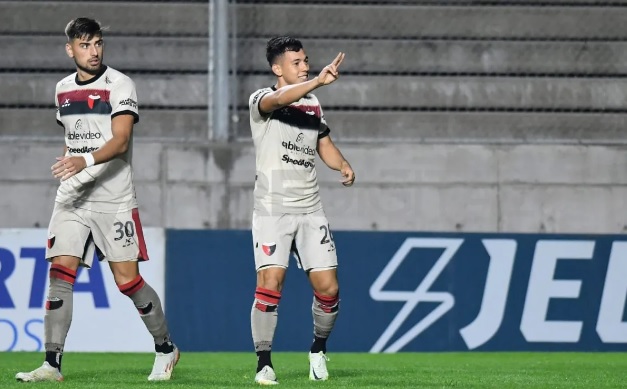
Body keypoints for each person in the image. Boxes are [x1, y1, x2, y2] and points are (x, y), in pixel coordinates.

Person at [15, 18, 179, 382]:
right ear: (70, 49)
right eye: (85, 45)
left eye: (98, 44)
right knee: (60, 274)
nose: (94, 51)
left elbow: (120, 140)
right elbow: (74, 138)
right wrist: (69, 164)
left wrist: (83, 161)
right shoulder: (61, 89)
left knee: (128, 282)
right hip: (73, 196)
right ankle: (51, 365)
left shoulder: (119, 84)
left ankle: (166, 347)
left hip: (114, 197)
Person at [248, 36, 355, 385]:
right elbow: (279, 98)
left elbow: (324, 143)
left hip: (310, 209)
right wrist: (317, 81)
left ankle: (318, 350)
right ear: (277, 68)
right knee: (270, 282)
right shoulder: (261, 100)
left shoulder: (313, 104)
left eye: (306, 60)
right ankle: (264, 363)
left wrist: (342, 165)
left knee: (329, 290)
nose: (305, 66)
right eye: (296, 62)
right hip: (272, 208)